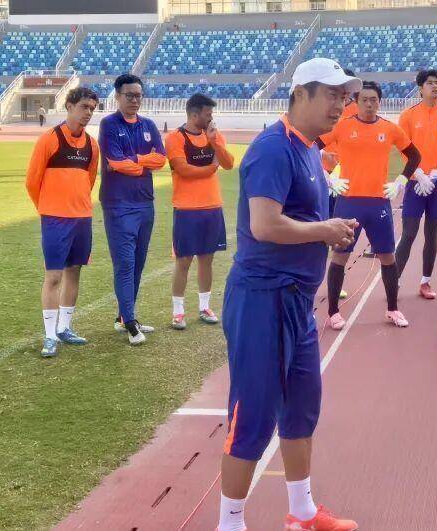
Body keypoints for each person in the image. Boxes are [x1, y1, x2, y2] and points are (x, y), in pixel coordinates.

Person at [217, 58, 360, 531]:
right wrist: (324, 230)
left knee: (301, 406)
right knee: (254, 413)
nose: (341, 105)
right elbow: (264, 225)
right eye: (333, 95)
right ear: (301, 94)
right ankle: (230, 523)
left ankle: (302, 511)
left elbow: (302, 219)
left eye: (344, 97)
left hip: (296, 300)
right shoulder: (273, 149)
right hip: (263, 299)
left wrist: (331, 228)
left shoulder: (309, 148)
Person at [320, 81, 421, 329]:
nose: (369, 104)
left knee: (387, 256)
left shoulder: (389, 128)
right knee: (340, 256)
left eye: (373, 99)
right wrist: (328, 178)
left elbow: (415, 155)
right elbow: (311, 146)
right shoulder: (342, 126)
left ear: (379, 102)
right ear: (356, 102)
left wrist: (401, 181)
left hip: (378, 203)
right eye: (364, 99)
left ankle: (393, 309)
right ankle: (333, 312)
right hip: (348, 202)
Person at [25, 87, 101, 358]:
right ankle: (49, 335)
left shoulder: (92, 145)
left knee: (74, 271)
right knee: (54, 276)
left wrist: (77, 204)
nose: (88, 113)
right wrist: (48, 208)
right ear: (69, 106)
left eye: (92, 109)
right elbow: (32, 181)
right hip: (55, 219)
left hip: (82, 218)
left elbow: (89, 179)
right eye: (83, 107)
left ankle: (65, 327)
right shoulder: (49, 139)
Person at [99, 74, 166, 345]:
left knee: (138, 263)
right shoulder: (109, 124)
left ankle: (123, 316)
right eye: (129, 95)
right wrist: (140, 164)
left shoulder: (148, 125)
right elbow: (115, 162)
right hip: (118, 204)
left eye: (138, 95)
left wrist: (135, 161)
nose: (135, 100)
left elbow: (161, 159)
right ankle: (130, 322)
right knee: (125, 264)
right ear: (117, 96)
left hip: (145, 203)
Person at [164, 94, 235, 330]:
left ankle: (204, 307)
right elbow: (183, 170)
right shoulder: (175, 138)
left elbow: (228, 164)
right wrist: (211, 168)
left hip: (212, 207)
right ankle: (178, 311)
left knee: (207, 259)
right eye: (208, 114)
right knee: (183, 261)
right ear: (194, 115)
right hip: (186, 209)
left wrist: (215, 143)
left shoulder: (214, 135)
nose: (211, 118)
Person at [394, 69, 437, 300]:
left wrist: (436, 172)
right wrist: (418, 173)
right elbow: (403, 149)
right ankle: (394, 280)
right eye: (430, 83)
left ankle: (425, 282)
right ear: (420, 88)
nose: (435, 86)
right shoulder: (408, 116)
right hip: (415, 182)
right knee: (409, 233)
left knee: (432, 235)